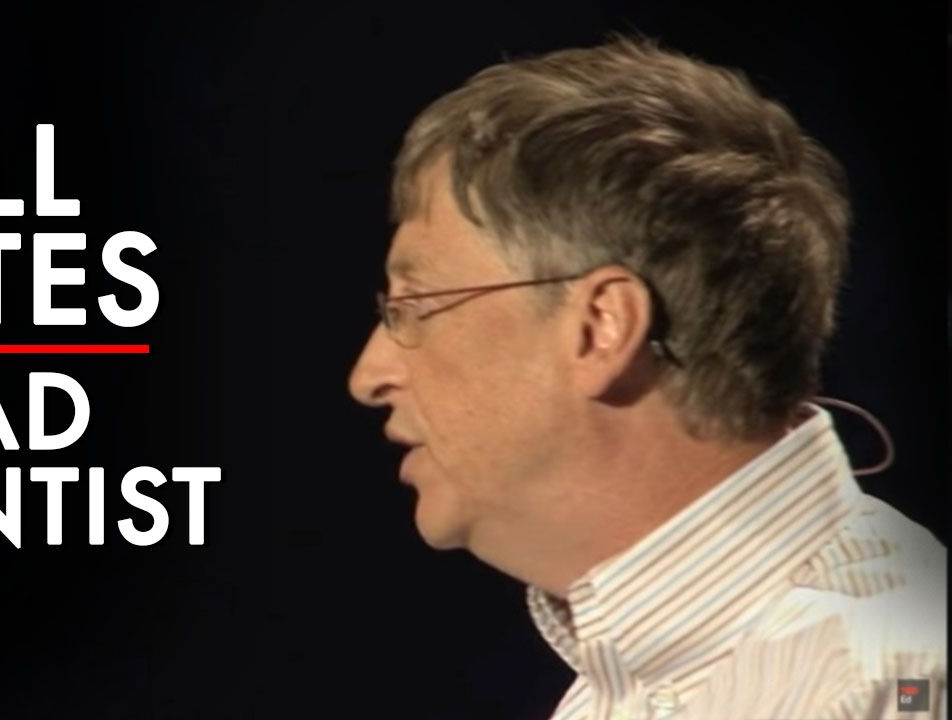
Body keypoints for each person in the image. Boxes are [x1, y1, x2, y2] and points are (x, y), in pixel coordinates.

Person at [348, 37, 946, 720]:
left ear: (601, 326)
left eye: (415, 307)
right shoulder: (643, 682)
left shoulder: (885, 682)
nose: (368, 376)